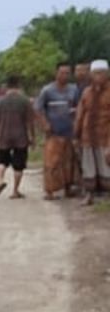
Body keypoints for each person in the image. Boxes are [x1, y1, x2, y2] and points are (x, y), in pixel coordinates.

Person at [36, 63, 80, 199]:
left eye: (67, 73)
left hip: (70, 131)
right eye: (62, 73)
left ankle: (68, 188)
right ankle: (49, 191)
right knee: (52, 162)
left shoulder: (74, 89)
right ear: (56, 73)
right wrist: (45, 124)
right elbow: (38, 109)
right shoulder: (47, 90)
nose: (64, 75)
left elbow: (79, 106)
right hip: (53, 132)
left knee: (68, 162)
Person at [0, 75, 35, 199]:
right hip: (21, 136)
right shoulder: (24, 100)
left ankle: (0, 181)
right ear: (18, 84)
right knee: (19, 165)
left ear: (7, 86)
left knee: (1, 161)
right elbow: (29, 121)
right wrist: (32, 137)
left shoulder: (0, 101)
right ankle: (15, 191)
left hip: (4, 135)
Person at [75, 59, 110, 204]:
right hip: (87, 137)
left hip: (105, 136)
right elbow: (80, 115)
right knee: (88, 167)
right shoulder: (86, 92)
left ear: (107, 74)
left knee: (106, 168)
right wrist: (76, 135)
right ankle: (89, 196)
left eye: (101, 73)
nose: (98, 77)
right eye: (95, 74)